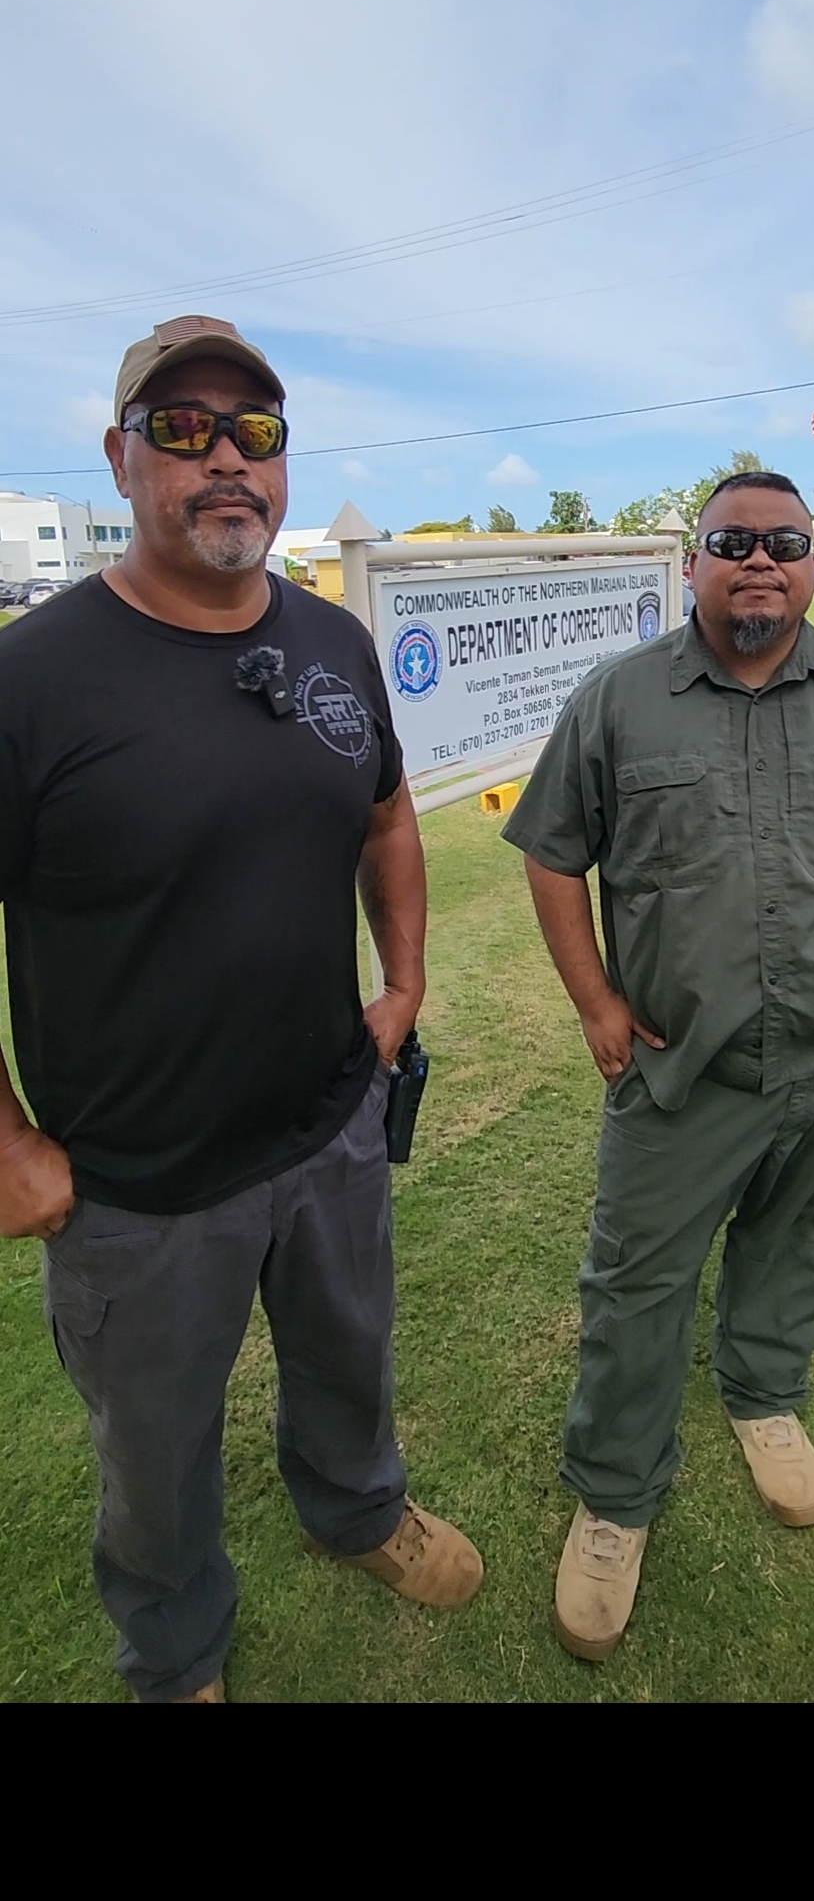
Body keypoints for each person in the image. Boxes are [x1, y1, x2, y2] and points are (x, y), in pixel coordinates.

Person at [0, 314, 482, 1704]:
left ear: (283, 467)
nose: (225, 461)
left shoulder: (333, 638)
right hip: (137, 1189)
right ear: (119, 457)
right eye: (184, 429)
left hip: (329, 1129)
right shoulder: (31, 683)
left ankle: (356, 1508)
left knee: (349, 1356)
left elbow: (385, 814)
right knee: (154, 1453)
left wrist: (401, 981)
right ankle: (175, 1651)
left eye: (254, 435)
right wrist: (9, 1140)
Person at [503, 469, 814, 1662]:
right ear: (693, 562)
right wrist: (596, 1002)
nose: (759, 560)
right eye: (731, 541)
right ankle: (614, 1495)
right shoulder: (619, 703)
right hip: (679, 1078)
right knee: (638, 1287)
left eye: (786, 542)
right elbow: (553, 855)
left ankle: (763, 1399)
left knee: (797, 1244)